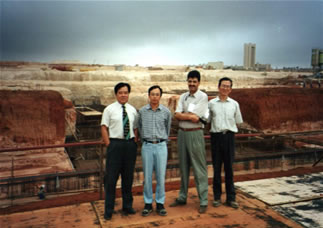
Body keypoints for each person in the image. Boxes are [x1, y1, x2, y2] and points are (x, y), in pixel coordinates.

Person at [170, 70, 209, 214]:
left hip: (195, 134)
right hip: (182, 134)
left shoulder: (202, 97)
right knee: (183, 167)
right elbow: (177, 115)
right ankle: (182, 196)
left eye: (194, 81)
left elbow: (195, 118)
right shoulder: (183, 96)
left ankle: (203, 200)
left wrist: (183, 115)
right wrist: (186, 116)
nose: (192, 84)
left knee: (199, 168)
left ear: (199, 82)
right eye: (190, 81)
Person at [101, 82, 138, 220]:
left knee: (128, 178)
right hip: (115, 145)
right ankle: (108, 210)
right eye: (121, 92)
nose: (123, 95)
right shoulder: (109, 109)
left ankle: (127, 206)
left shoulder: (133, 109)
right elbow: (104, 127)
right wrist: (109, 144)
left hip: (130, 145)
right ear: (116, 94)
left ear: (128, 94)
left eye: (126, 92)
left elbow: (135, 128)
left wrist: (134, 141)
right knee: (111, 179)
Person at [208, 77, 243, 209]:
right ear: (218, 87)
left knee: (229, 168)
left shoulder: (234, 104)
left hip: (229, 137)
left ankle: (231, 198)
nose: (225, 88)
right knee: (216, 168)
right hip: (216, 138)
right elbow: (208, 120)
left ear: (230, 89)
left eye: (228, 86)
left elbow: (238, 121)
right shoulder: (211, 104)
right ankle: (217, 197)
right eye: (223, 86)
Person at [138, 85, 172, 217]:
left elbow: (167, 129)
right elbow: (139, 128)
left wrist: (161, 141)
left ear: (160, 96)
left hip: (161, 146)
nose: (154, 97)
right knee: (147, 177)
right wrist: (145, 141)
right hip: (147, 146)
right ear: (148, 95)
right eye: (152, 94)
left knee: (160, 176)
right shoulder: (142, 112)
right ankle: (147, 203)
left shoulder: (166, 112)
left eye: (157, 94)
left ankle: (160, 203)